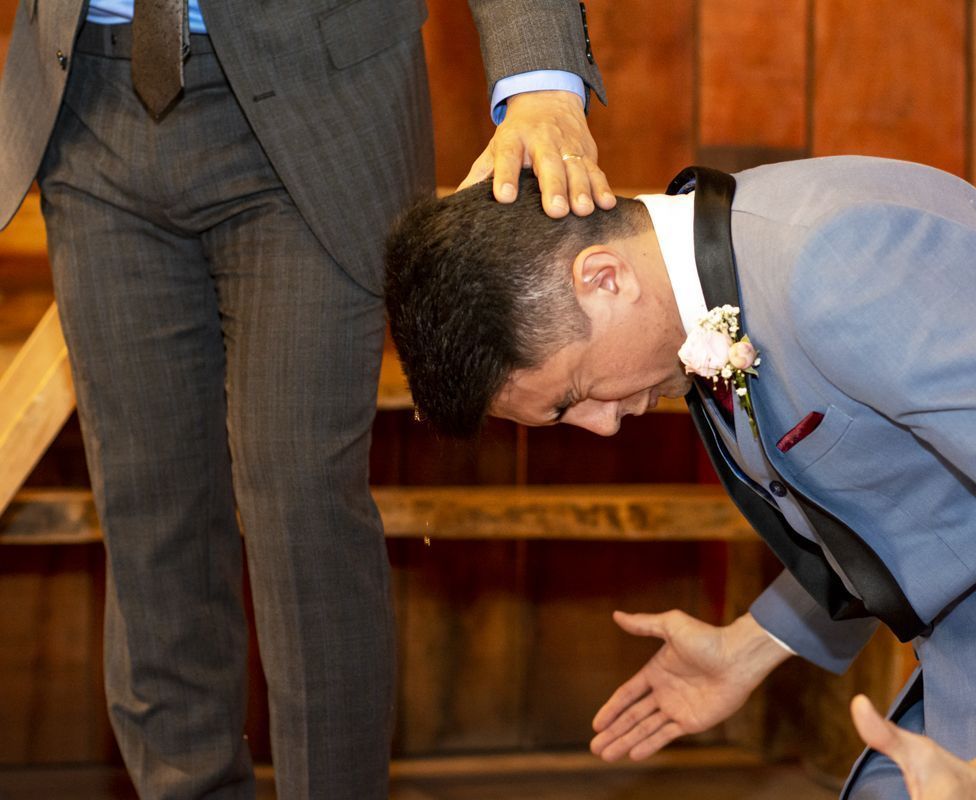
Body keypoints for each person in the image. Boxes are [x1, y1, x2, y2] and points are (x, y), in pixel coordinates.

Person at [384, 162, 976, 799]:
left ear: (604, 277)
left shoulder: (844, 258)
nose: (599, 427)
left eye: (571, 397)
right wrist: (754, 645)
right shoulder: (720, 272)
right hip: (973, 674)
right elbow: (904, 490)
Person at [0, 2, 610, 797]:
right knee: (149, 515)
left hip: (317, 102)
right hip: (88, 92)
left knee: (301, 509)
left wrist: (541, 79)